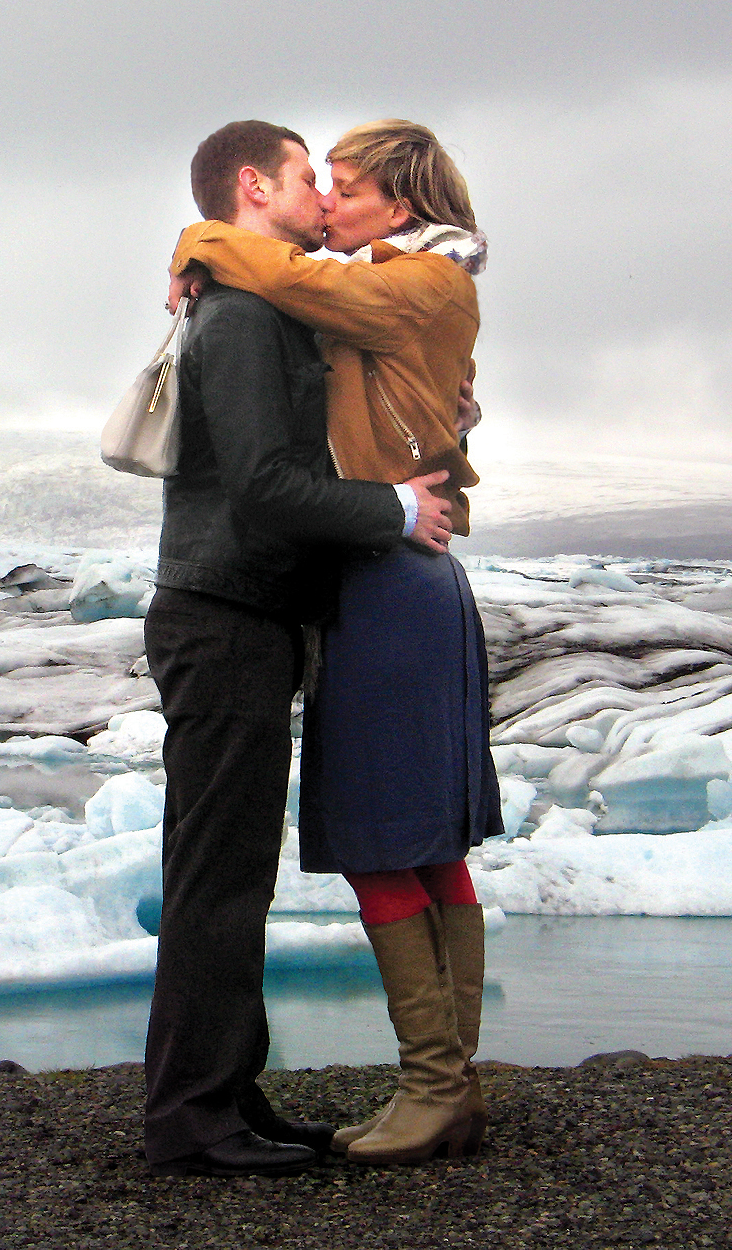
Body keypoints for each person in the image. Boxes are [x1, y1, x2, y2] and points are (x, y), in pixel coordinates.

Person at [166, 119, 501, 1166]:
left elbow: (327, 313)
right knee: (386, 843)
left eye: (340, 183)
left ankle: (434, 1089)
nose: (324, 201)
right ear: (261, 183)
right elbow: (297, 449)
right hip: (321, 587)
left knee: (384, 839)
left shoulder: (398, 284)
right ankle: (222, 1109)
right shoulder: (290, 304)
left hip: (383, 586)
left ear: (393, 205)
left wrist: (197, 242)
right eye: (313, 180)